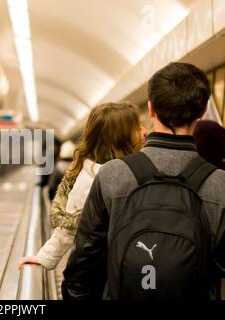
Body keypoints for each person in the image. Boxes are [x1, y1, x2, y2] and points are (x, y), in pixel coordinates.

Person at [62, 62, 225, 300]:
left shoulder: (113, 174)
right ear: (201, 112)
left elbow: (82, 268)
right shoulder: (220, 185)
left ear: (150, 109)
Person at [18, 102, 145, 271]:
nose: (144, 131)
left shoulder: (133, 168)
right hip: (102, 274)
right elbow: (69, 227)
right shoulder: (92, 178)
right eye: (138, 127)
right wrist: (44, 257)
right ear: (121, 136)